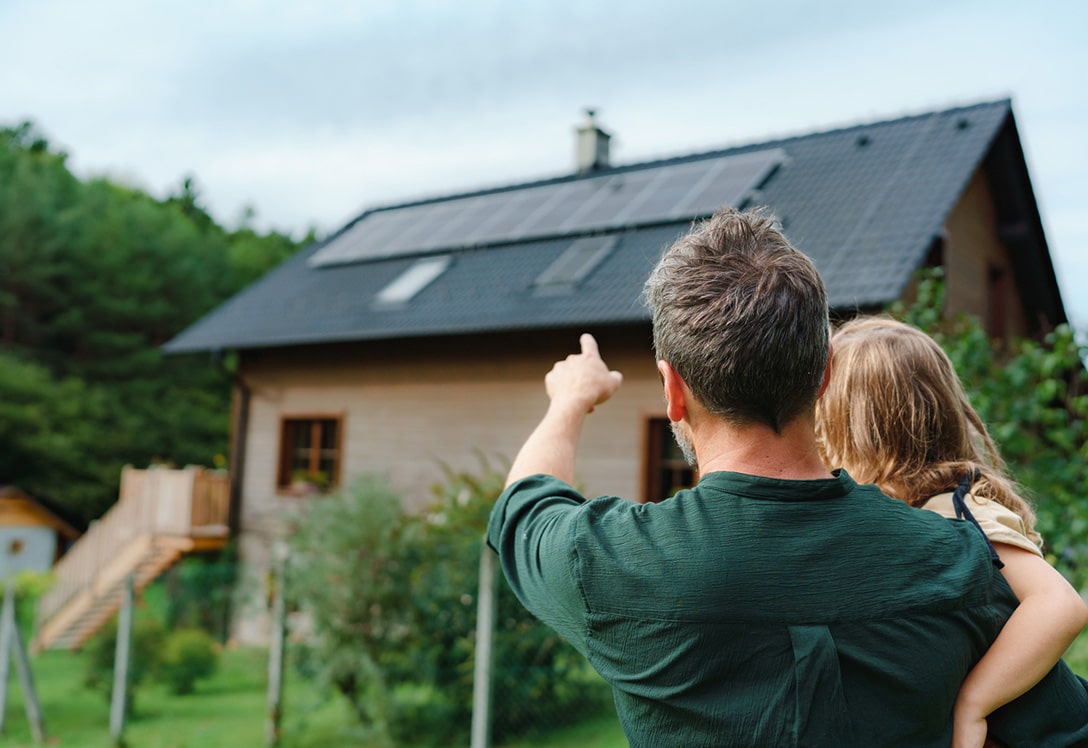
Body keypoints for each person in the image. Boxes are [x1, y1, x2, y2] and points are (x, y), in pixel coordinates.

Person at [486, 206, 1088, 746]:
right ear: (823, 375)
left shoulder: (610, 562)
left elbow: (524, 504)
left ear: (673, 391)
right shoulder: (958, 562)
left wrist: (570, 399)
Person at [815, 315, 1088, 747]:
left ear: (853, 427)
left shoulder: (959, 510)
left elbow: (1060, 606)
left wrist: (974, 704)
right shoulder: (909, 513)